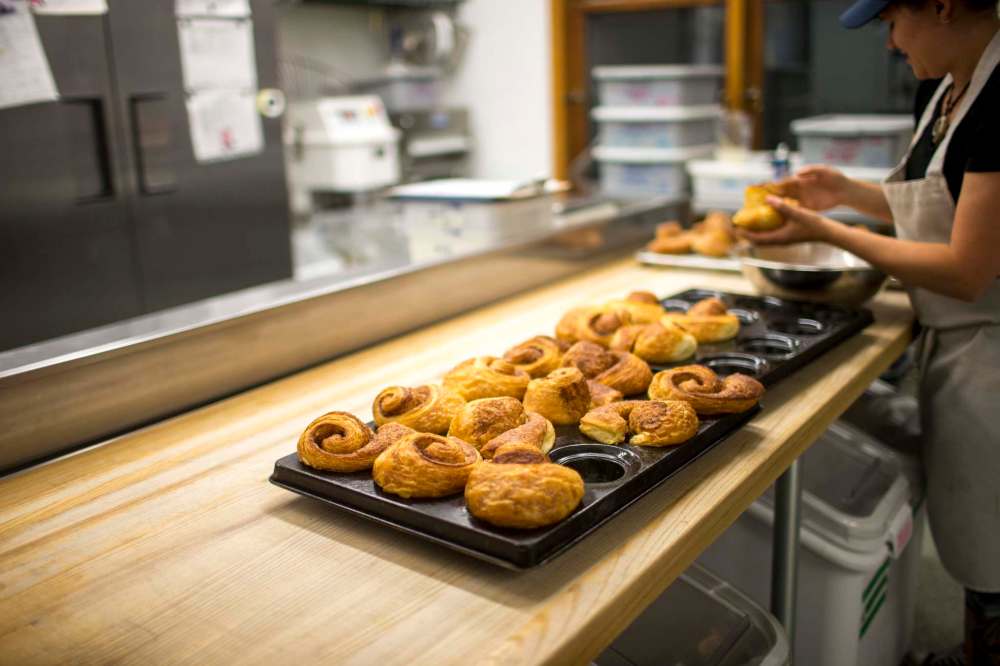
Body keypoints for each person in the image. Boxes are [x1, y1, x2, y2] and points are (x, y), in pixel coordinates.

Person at [738, 1, 1000, 664]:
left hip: (991, 345)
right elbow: (945, 200)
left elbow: (968, 268)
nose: (888, 44)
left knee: (998, 547)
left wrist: (825, 231)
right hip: (957, 339)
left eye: (890, 22)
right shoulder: (947, 86)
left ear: (940, 7)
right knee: (981, 542)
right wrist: (843, 191)